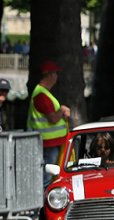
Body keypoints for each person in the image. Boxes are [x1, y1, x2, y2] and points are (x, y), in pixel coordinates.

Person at [27, 60, 71, 189]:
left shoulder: (43, 94)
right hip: (48, 143)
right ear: (50, 75)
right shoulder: (41, 95)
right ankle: (42, 204)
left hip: (51, 142)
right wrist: (62, 110)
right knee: (46, 177)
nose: (57, 77)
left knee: (49, 176)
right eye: (56, 74)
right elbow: (52, 118)